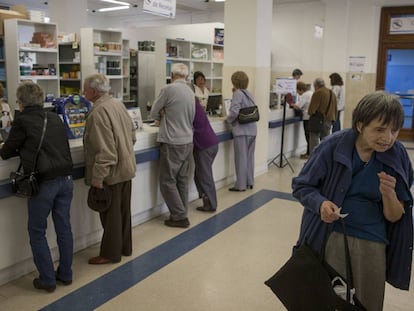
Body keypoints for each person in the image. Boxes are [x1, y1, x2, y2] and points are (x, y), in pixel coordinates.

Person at [292, 91, 413, 310]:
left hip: (373, 242)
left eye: (394, 130)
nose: (388, 138)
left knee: (367, 302)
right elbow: (302, 185)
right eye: (379, 129)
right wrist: (320, 204)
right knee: (328, 298)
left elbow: (395, 216)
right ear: (359, 125)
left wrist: (389, 195)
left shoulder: (397, 156)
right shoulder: (332, 147)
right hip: (330, 235)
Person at [0, 81, 74, 292]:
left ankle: (47, 280)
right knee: (64, 227)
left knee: (37, 231)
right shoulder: (55, 117)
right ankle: (66, 274)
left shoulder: (22, 120)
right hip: (66, 179)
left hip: (43, 182)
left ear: (21, 103)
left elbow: (5, 152)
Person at [82, 73, 136, 264]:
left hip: (111, 174)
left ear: (94, 92)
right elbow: (132, 134)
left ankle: (110, 254)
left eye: (85, 89)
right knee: (123, 212)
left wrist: (97, 178)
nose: (82, 92)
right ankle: (125, 247)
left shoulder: (98, 112)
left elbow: (105, 151)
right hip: (126, 169)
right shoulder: (117, 104)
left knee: (111, 216)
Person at [150, 63, 195, 228]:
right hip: (187, 141)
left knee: (167, 181)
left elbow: (153, 112)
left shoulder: (168, 89)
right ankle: (181, 211)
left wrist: (162, 114)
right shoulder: (191, 91)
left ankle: (179, 216)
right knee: (181, 180)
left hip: (172, 141)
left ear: (172, 75)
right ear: (186, 76)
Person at [226, 71, 257, 192]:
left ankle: (240, 185)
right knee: (249, 158)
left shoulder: (237, 94)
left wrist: (228, 120)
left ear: (235, 81)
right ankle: (249, 181)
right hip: (252, 129)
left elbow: (234, 112)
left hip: (242, 130)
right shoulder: (249, 93)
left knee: (241, 158)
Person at [193, 98, 219, 212]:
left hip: (204, 145)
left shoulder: (189, 107)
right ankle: (206, 198)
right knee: (200, 175)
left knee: (204, 176)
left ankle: (211, 204)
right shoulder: (197, 105)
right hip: (212, 143)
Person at [307, 78, 337, 154]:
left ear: (316, 85)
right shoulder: (331, 93)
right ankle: (323, 157)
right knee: (325, 140)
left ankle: (314, 157)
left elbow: (312, 109)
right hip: (329, 120)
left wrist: (310, 113)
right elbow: (335, 108)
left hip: (318, 120)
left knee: (314, 138)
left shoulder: (318, 92)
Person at [290, 81, 313, 159]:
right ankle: (309, 152)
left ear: (300, 89)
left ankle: (309, 153)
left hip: (307, 117)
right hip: (311, 117)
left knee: (308, 135)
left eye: (297, 91)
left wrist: (292, 105)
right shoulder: (311, 93)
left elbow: (299, 106)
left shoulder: (305, 95)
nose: (297, 93)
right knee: (310, 136)